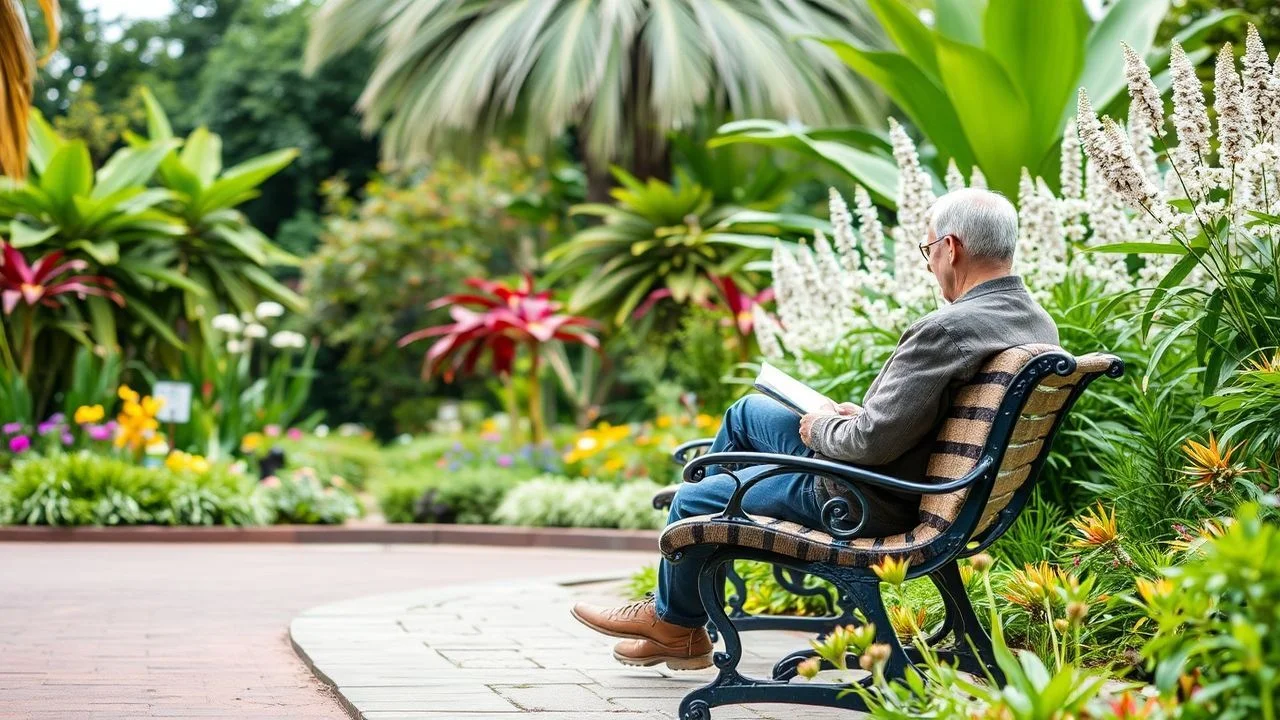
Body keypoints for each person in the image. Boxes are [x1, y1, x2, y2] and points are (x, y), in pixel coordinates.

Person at [571, 188, 1059, 670]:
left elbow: (868, 445)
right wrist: (856, 418)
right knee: (746, 414)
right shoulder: (1036, 324)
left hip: (862, 497)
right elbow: (895, 427)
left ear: (951, 248)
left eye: (928, 249)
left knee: (697, 498)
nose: (929, 263)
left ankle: (678, 621)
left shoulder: (948, 329)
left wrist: (823, 428)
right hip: (920, 487)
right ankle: (682, 617)